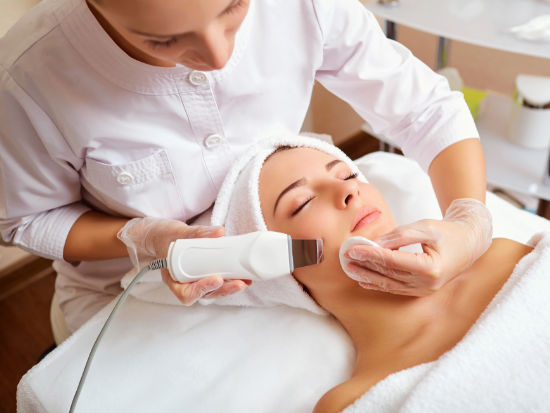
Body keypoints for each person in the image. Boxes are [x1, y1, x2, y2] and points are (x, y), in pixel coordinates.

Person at [0, 0, 490, 334]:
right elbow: (25, 219)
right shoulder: (30, 77)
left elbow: (424, 110)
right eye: (163, 41)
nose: (218, 56)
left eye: (233, 6)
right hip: (123, 298)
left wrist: (469, 220)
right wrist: (140, 238)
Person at [257, 145, 533, 413]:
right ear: (276, 267)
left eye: (347, 175)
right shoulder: (353, 401)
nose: (349, 189)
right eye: (303, 203)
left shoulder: (507, 255)